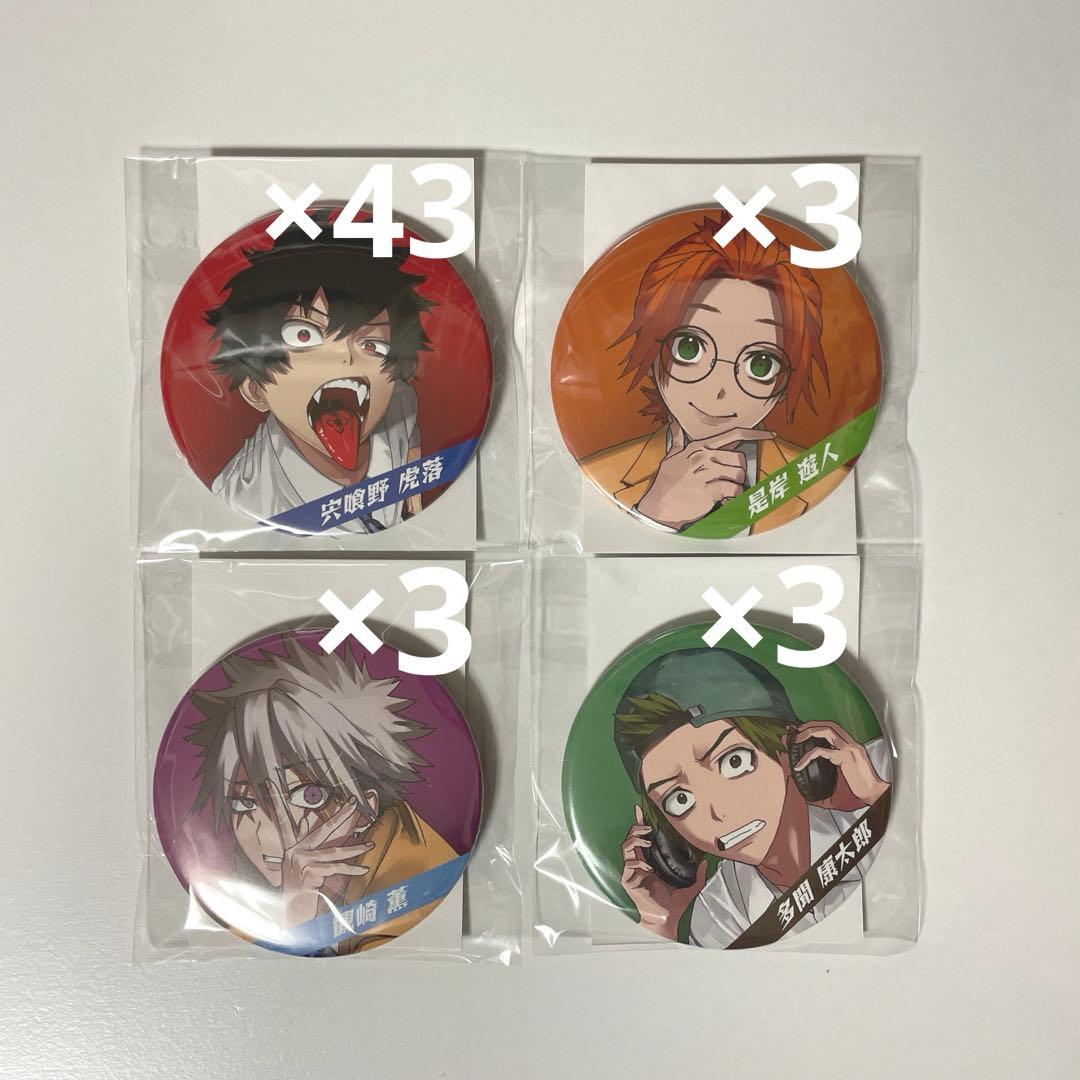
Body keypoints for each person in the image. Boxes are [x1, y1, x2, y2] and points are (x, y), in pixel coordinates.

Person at [184, 636, 456, 953]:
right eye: (245, 803)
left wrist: (300, 919)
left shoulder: (417, 873)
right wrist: (297, 907)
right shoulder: (233, 885)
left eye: (308, 796)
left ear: (366, 807)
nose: (267, 833)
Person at [582, 214, 848, 534]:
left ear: (785, 382)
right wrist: (658, 513)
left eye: (760, 364)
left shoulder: (820, 479)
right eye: (689, 348)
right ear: (652, 350)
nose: (718, 390)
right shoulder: (601, 472)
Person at [614, 647, 890, 947]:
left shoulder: (876, 770)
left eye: (734, 761)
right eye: (679, 799)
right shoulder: (719, 912)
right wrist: (660, 923)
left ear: (792, 747)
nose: (718, 812)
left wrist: (879, 800)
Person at [205, 208, 433, 531]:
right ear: (256, 390)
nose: (344, 359)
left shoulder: (399, 401)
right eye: (304, 335)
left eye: (372, 345)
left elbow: (411, 457)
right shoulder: (244, 499)